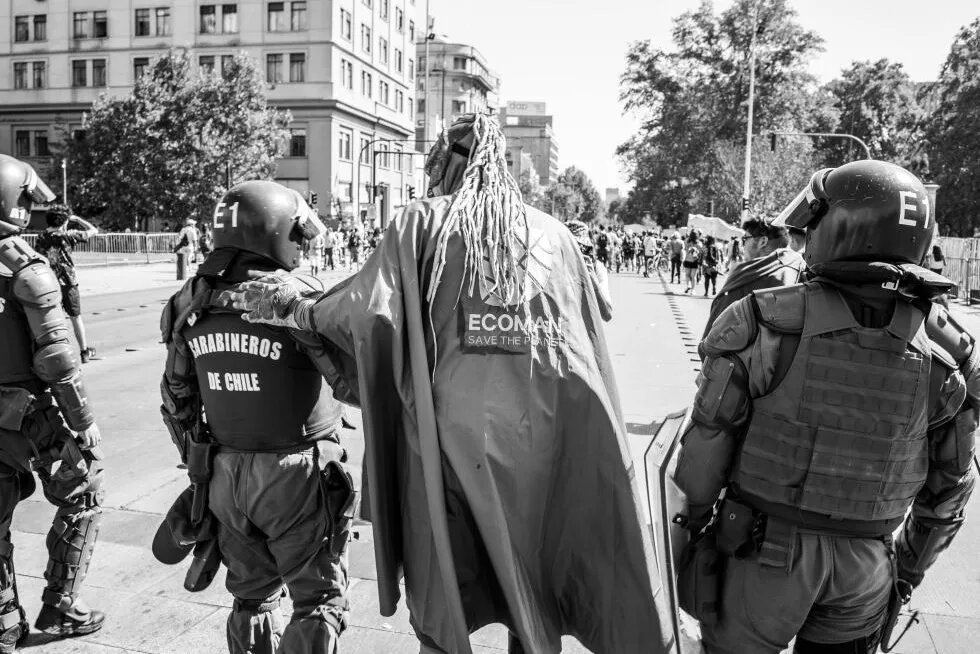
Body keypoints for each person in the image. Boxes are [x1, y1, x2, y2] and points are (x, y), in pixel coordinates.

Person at [221, 114, 671, 654]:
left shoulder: (423, 222)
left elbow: (366, 312)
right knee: (534, 592)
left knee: (441, 600)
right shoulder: (554, 233)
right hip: (546, 454)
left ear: (449, 166)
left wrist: (296, 308)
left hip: (445, 453)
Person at [675, 160, 978, 653]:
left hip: (760, 557)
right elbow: (949, 497)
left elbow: (703, 456)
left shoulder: (763, 323)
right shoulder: (947, 354)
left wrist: (690, 540)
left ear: (839, 228)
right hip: (867, 568)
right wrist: (903, 576)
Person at [158, 180, 354, 654]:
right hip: (295, 474)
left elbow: (175, 397)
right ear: (277, 233)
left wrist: (200, 467)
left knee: (250, 597)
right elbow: (352, 382)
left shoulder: (192, 301)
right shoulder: (295, 297)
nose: (302, 250)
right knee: (319, 600)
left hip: (224, 473)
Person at [0, 154, 105, 649]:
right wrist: (82, 420)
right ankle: (62, 607)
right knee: (84, 491)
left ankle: (3, 621)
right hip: (30, 415)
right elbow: (58, 356)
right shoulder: (25, 267)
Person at [702, 218, 805, 338]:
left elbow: (712, 338)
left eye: (745, 238)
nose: (743, 245)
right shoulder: (798, 266)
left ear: (763, 241)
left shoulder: (748, 277)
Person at [34, 205, 98, 363]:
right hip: (68, 282)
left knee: (52, 318)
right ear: (64, 221)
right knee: (75, 317)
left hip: (48, 282)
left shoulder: (41, 237)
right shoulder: (69, 235)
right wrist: (77, 220)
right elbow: (93, 230)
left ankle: (55, 350)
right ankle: (84, 351)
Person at [566, 219, 612, 320]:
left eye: (581, 248)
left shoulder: (597, 268)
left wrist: (591, 278)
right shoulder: (553, 265)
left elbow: (607, 315)